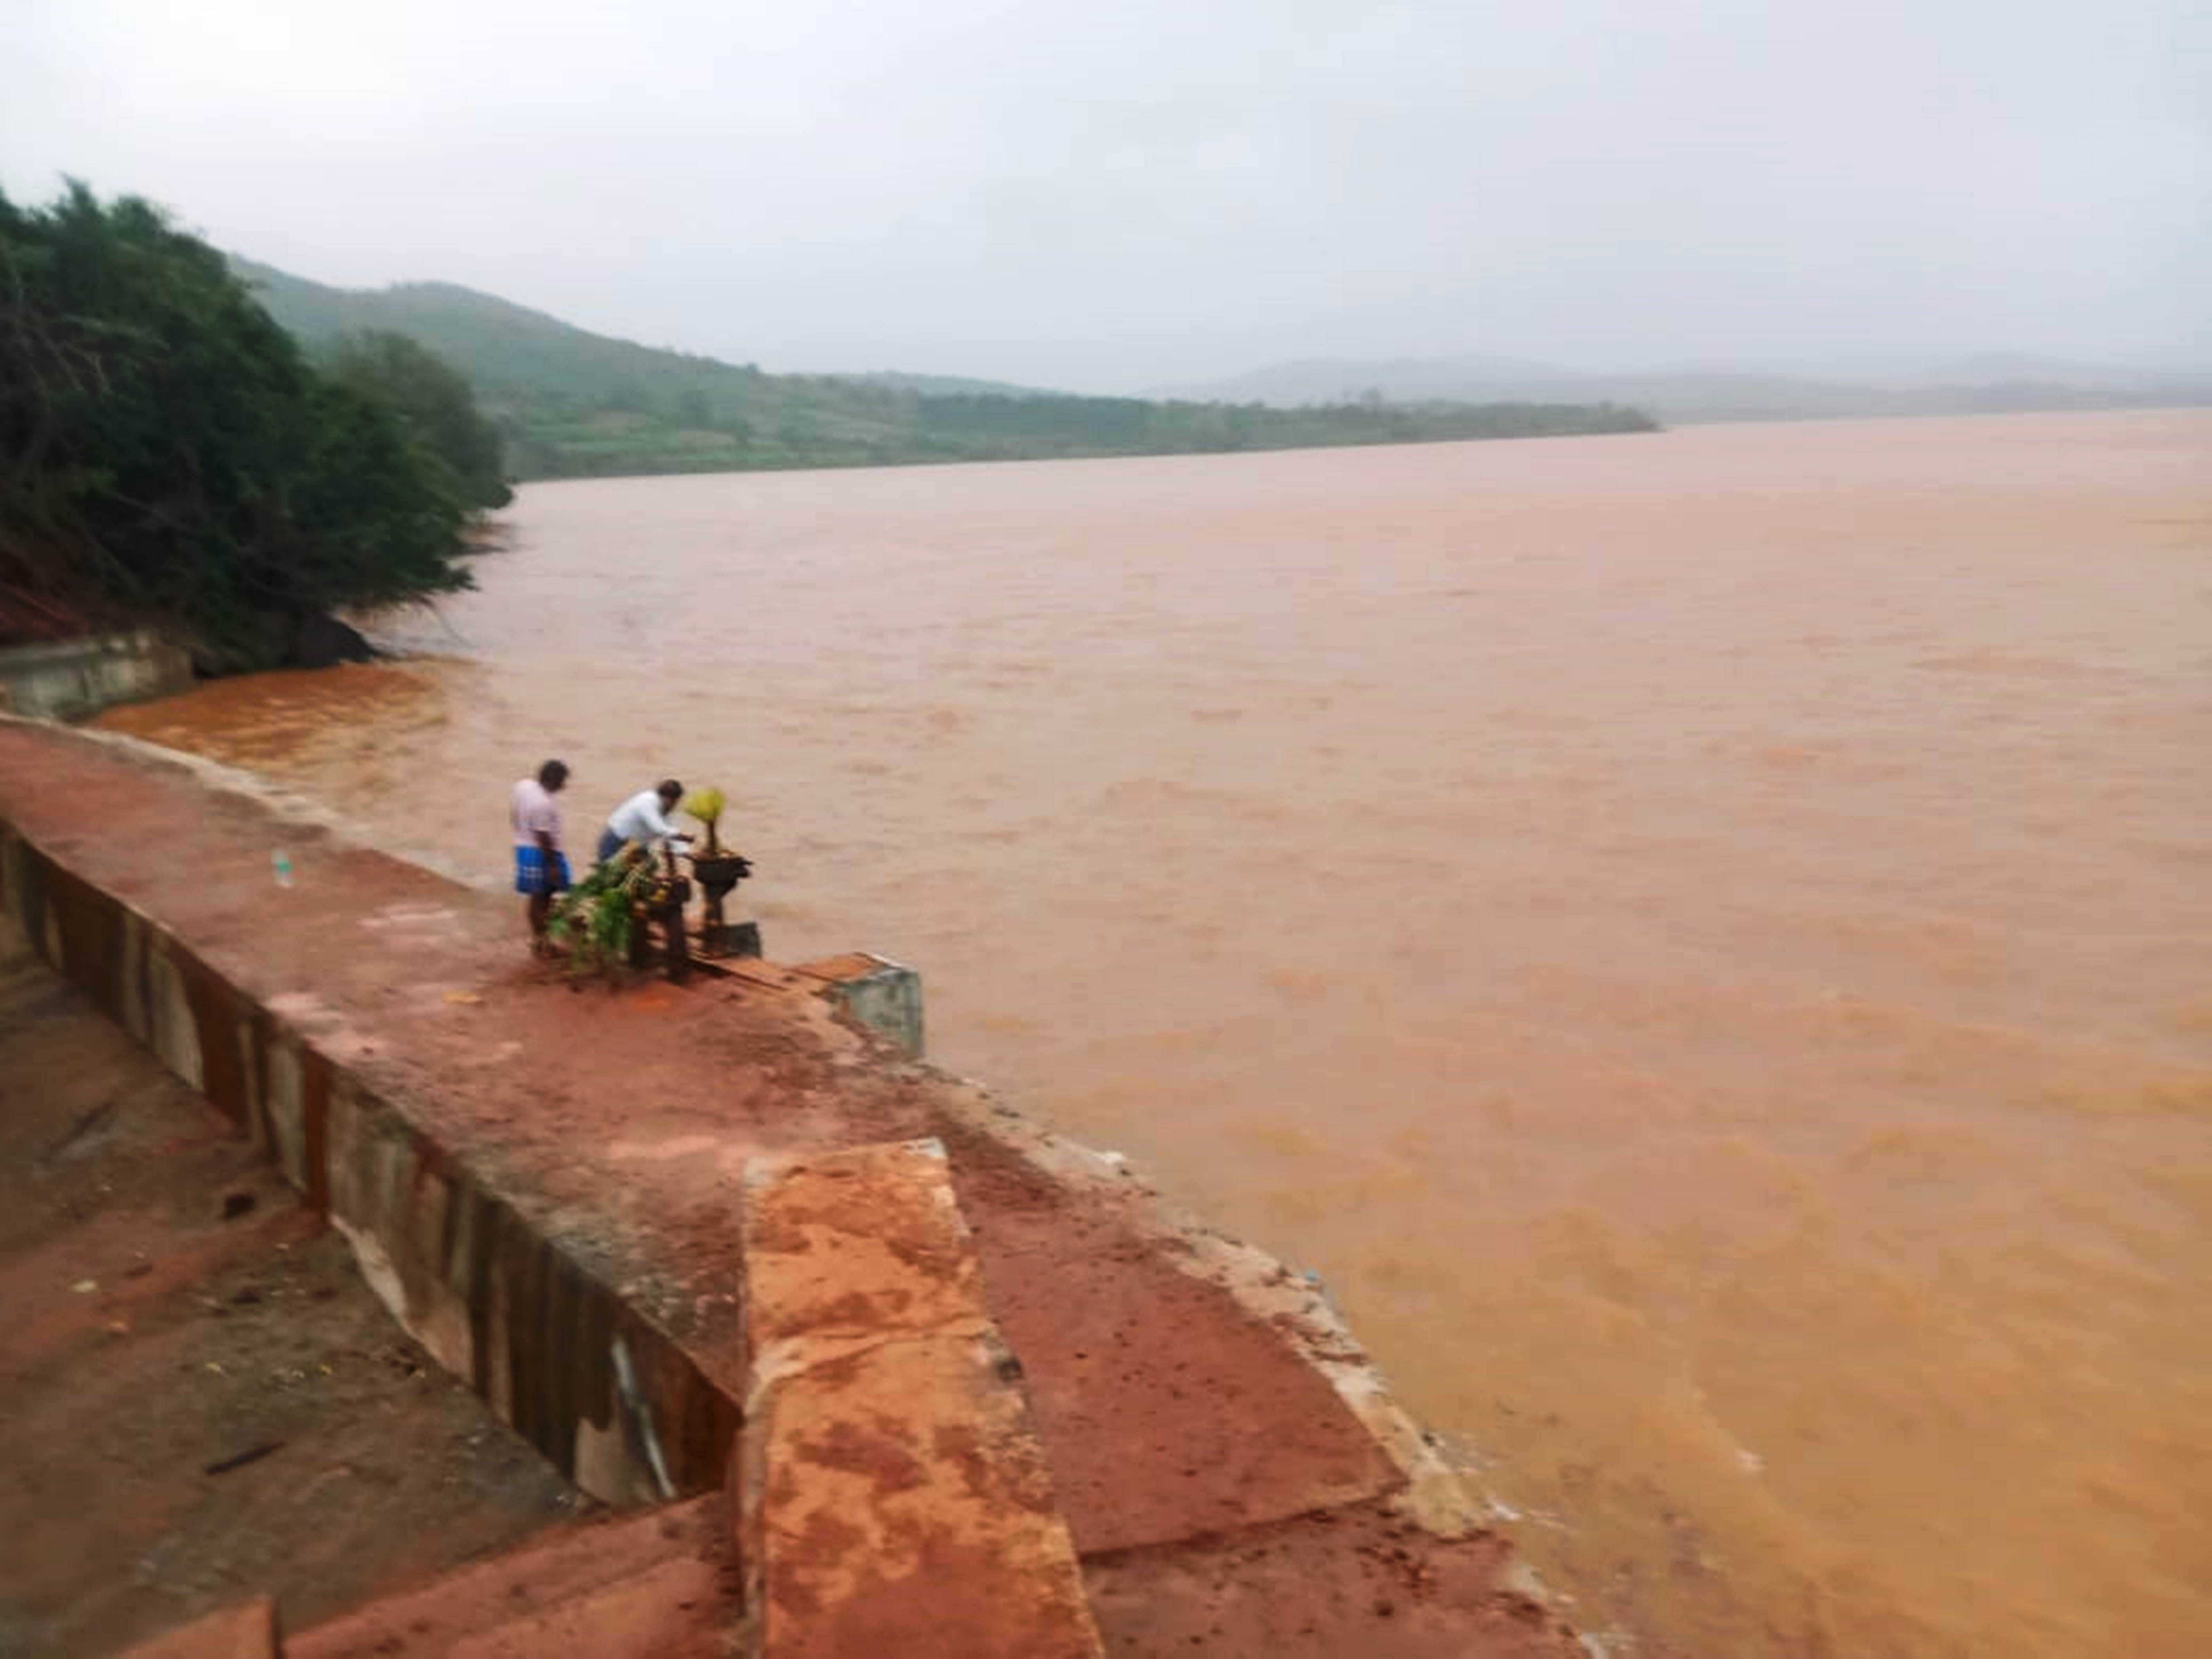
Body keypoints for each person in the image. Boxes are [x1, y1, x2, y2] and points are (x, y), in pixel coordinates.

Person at [511, 759, 571, 955]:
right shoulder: (543, 804)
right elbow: (543, 836)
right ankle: (543, 943)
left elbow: (514, 813)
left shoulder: (524, 787)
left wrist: (520, 832)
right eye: (563, 781)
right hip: (541, 854)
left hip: (524, 847)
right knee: (543, 897)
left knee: (537, 897)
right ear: (553, 780)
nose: (565, 785)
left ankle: (540, 940)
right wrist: (553, 865)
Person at [598, 779, 692, 865]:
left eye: (676, 802)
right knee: (610, 875)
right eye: (673, 802)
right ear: (666, 798)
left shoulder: (666, 810)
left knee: (651, 867)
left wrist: (688, 855)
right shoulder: (647, 801)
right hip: (617, 842)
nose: (674, 806)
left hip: (637, 847)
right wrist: (684, 837)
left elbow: (670, 834)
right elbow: (660, 829)